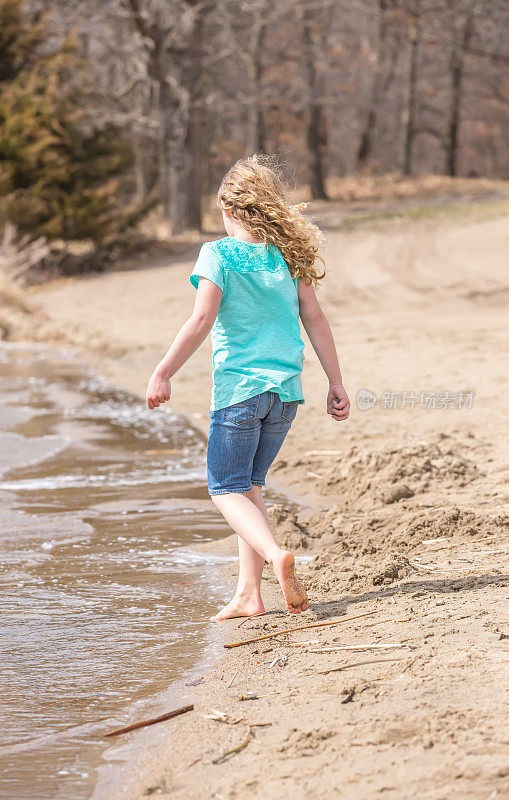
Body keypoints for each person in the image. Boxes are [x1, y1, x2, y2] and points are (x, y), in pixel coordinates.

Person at [146, 155, 350, 621]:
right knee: (251, 487)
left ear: (228, 210)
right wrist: (336, 382)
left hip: (240, 391)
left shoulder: (217, 254)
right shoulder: (289, 254)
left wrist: (163, 373)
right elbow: (314, 319)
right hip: (285, 394)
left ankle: (276, 555)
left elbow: (201, 319)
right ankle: (248, 595)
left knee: (224, 487)